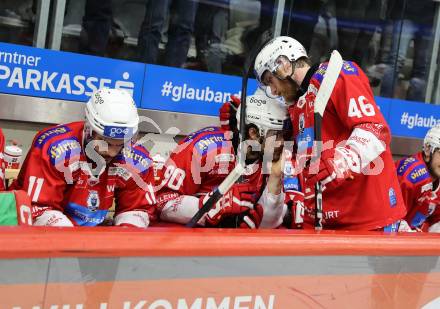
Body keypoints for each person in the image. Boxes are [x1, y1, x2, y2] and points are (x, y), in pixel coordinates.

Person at [253, 36, 407, 230]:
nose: (273, 91)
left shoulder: (335, 75)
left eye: (270, 80)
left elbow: (375, 129)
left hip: (369, 221)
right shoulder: (296, 106)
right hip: (327, 223)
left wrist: (340, 162)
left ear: (283, 65)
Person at [11, 88, 156, 227]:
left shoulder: (138, 159)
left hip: (95, 236)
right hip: (36, 232)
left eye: (121, 144)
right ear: (88, 130)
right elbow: (39, 209)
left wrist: (124, 235)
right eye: (105, 142)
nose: (112, 152)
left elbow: (137, 210)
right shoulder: (54, 147)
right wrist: (77, 242)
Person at [155, 90, 288, 228]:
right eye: (276, 134)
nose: (282, 142)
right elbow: (163, 203)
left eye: (283, 134)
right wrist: (209, 206)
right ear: (253, 133)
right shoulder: (204, 148)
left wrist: (275, 179)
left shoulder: (270, 159)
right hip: (189, 242)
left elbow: (268, 223)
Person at [395, 125, 440, 232]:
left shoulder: (434, 177)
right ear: (428, 150)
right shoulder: (412, 176)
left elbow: (436, 220)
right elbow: (389, 219)